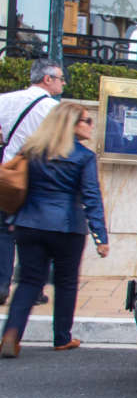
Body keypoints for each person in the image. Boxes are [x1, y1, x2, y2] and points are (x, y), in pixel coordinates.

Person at [0, 102, 109, 358]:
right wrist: (100, 237)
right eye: (87, 121)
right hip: (66, 227)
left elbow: (20, 184)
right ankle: (62, 338)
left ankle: (11, 334)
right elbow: (91, 197)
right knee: (66, 282)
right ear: (71, 124)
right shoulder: (83, 156)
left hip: (29, 224)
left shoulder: (33, 150)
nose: (91, 126)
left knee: (28, 282)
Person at [0, 59, 63, 305]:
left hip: (9, 174)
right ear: (47, 79)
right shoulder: (52, 109)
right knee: (36, 235)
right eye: (60, 78)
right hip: (38, 179)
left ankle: (2, 284)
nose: (63, 82)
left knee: (3, 231)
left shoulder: (6, 99)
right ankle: (33, 289)